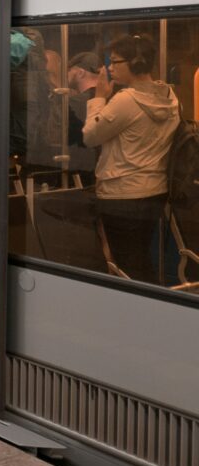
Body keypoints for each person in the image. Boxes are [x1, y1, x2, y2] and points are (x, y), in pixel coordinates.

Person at [83, 34, 179, 283]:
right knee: (141, 257)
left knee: (127, 264)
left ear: (135, 63)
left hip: (121, 194)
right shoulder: (169, 95)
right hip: (155, 191)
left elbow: (91, 135)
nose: (110, 68)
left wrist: (99, 97)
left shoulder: (126, 100)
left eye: (115, 62)